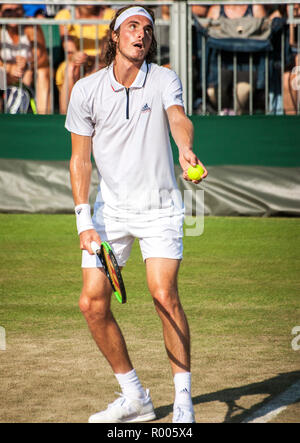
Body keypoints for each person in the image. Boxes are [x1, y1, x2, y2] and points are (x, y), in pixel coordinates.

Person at [66, 5, 207, 423]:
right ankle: (136, 398)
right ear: (114, 36)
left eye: (147, 28)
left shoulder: (163, 78)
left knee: (163, 295)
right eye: (132, 26)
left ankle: (183, 403)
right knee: (92, 304)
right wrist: (83, 222)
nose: (141, 34)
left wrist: (183, 149)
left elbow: (178, 118)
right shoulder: (85, 91)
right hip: (111, 212)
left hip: (160, 207)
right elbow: (80, 161)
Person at [0, 3, 50, 113]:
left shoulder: (31, 26)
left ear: (22, 11)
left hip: (28, 73)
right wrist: (9, 67)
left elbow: (41, 57)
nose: (13, 13)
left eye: (17, 9)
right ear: (1, 13)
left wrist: (26, 64)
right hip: (5, 75)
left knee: (43, 72)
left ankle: (44, 117)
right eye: (8, 10)